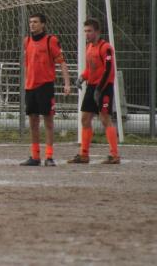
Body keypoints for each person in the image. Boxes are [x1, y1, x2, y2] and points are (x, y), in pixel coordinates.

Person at [21, 13, 71, 167]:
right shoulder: (27, 41)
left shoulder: (51, 40)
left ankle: (49, 156)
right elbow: (27, 64)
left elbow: (62, 62)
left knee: (48, 121)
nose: (32, 24)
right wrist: (26, 81)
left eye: (35, 22)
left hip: (45, 86)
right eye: (30, 22)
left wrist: (67, 83)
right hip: (30, 87)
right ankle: (35, 156)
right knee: (33, 122)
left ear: (43, 24)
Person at [68, 18, 120, 164]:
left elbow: (108, 70)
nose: (87, 34)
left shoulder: (106, 47)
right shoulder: (89, 47)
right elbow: (90, 69)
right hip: (92, 87)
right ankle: (84, 155)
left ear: (97, 32)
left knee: (105, 119)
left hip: (104, 87)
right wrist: (82, 77)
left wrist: (99, 89)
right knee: (85, 119)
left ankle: (114, 155)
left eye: (89, 31)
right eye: (85, 31)